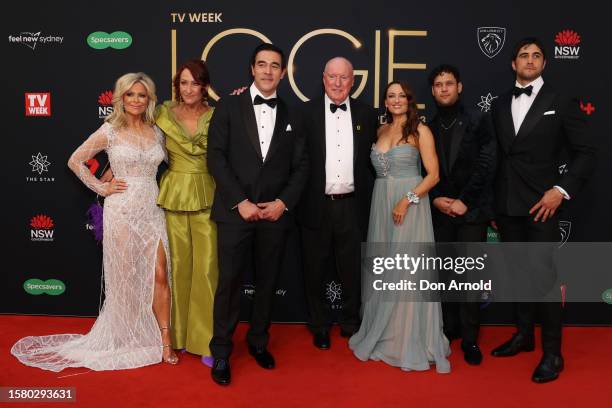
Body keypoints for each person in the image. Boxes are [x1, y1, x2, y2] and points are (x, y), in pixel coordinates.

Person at [11, 72, 178, 371]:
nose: (136, 100)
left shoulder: (158, 133)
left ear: (149, 99)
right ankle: (127, 337)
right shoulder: (110, 130)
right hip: (122, 210)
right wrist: (102, 187)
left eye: (142, 95)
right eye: (130, 95)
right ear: (121, 98)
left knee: (160, 273)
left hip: (152, 209)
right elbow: (75, 160)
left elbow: (178, 163)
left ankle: (165, 340)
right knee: (125, 277)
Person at [489, 37, 596, 383]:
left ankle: (553, 353)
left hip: (542, 207)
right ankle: (523, 336)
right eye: (524, 55)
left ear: (545, 64)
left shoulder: (561, 102)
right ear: (513, 64)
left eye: (537, 55)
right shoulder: (501, 102)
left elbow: (586, 152)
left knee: (545, 282)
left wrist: (561, 191)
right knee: (519, 276)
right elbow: (495, 157)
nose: (530, 60)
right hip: (507, 205)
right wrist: (493, 202)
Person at [207, 43, 308, 386]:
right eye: (262, 65)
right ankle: (221, 352)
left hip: (275, 215)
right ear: (252, 69)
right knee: (229, 285)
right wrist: (241, 201)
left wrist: (283, 203)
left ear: (283, 72)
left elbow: (302, 166)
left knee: (267, 284)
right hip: (236, 212)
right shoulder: (228, 106)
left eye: (274, 66)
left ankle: (258, 342)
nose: (268, 71)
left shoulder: (294, 113)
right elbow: (216, 158)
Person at [349, 80, 451, 373]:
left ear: (410, 100)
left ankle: (409, 338)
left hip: (410, 207)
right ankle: (385, 332)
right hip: (381, 204)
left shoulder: (421, 130)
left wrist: (406, 201)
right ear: (385, 101)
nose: (396, 100)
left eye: (401, 96)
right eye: (390, 96)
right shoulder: (380, 130)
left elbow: (433, 175)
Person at [298, 57, 377, 350]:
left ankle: (350, 322)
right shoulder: (305, 113)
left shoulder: (367, 114)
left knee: (352, 268)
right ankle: (319, 324)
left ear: (352, 81)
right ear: (323, 78)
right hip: (315, 203)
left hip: (353, 205)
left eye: (344, 78)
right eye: (332, 77)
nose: (338, 83)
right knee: (314, 269)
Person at [427, 64, 497, 365]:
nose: (444, 88)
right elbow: (422, 171)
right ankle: (449, 330)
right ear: (433, 90)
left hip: (471, 212)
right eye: (439, 84)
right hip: (441, 212)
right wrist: (435, 198)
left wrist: (464, 201)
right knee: (444, 276)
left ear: (460, 87)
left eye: (449, 83)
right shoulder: (427, 126)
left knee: (468, 279)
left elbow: (487, 164)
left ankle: (470, 340)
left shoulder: (479, 121)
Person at [154, 59, 218, 367]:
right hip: (174, 194)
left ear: (205, 86)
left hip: (208, 193)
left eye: (194, 83)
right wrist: (114, 172)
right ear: (177, 86)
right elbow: (136, 138)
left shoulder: (218, 115)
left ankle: (205, 339)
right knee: (176, 267)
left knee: (207, 269)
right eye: (183, 83)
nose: (188, 89)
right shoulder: (161, 114)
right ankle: (174, 337)